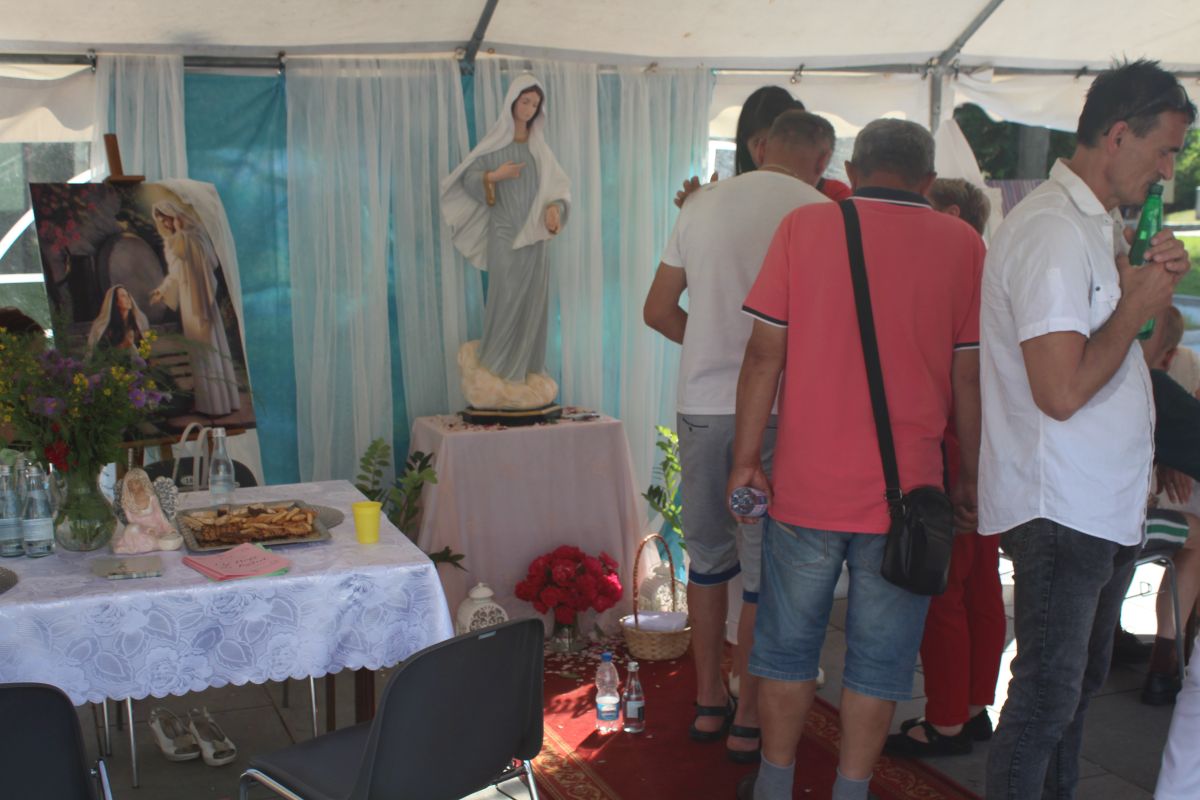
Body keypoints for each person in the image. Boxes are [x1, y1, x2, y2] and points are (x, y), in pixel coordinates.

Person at [731, 118, 984, 800]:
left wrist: (746, 461)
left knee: (786, 650)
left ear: (850, 166)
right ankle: (852, 790)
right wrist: (969, 476)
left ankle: (774, 785)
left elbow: (763, 356)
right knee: (881, 661)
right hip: (909, 500)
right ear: (928, 180)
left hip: (806, 490)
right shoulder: (963, 244)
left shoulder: (804, 228)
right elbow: (967, 377)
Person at [977, 59, 1194, 799]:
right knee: (1047, 699)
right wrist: (1136, 305)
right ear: (1118, 133)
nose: (1168, 172)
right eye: (1163, 151)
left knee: (1069, 696)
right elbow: (1061, 391)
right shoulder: (1051, 230)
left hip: (1095, 501)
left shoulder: (1092, 226)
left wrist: (1149, 294)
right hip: (1061, 504)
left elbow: (1122, 351)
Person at [643, 110, 833, 764]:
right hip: (779, 411)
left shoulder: (702, 205)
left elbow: (657, 309)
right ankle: (747, 718)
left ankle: (706, 703)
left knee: (706, 557)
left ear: (758, 146)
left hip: (703, 408)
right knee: (761, 570)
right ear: (823, 159)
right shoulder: (822, 213)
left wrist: (706, 345)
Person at [885, 177, 1004, 758]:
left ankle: (949, 717)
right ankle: (975, 705)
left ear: (952, 215)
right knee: (981, 583)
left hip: (957, 445)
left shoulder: (957, 276)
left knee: (945, 589)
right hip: (992, 446)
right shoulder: (994, 276)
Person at [441, 74, 570, 410]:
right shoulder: (495, 146)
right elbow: (469, 179)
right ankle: (497, 367)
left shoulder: (541, 152)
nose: (529, 109)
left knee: (533, 303)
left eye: (535, 104)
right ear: (512, 101)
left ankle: (525, 371)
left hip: (535, 242)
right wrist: (495, 176)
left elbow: (559, 193)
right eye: (525, 102)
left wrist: (555, 210)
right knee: (506, 299)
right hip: (504, 235)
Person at [675, 86, 851, 208]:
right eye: (759, 143)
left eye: (782, 141)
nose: (768, 153)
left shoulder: (835, 195)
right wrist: (697, 210)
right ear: (746, 146)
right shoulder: (732, 196)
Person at [149, 199, 241, 418]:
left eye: (166, 217)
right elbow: (175, 273)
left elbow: (210, 262)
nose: (165, 223)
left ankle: (223, 401)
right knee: (198, 348)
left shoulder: (195, 236)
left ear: (175, 216)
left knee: (211, 344)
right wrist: (163, 290)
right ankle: (210, 402)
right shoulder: (171, 242)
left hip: (202, 295)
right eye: (161, 219)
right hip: (188, 298)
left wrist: (183, 233)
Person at [87, 284, 148, 354]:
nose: (128, 299)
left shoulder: (138, 322)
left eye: (128, 295)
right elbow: (101, 354)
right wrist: (123, 346)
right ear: (116, 302)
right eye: (123, 296)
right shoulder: (106, 327)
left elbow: (144, 350)